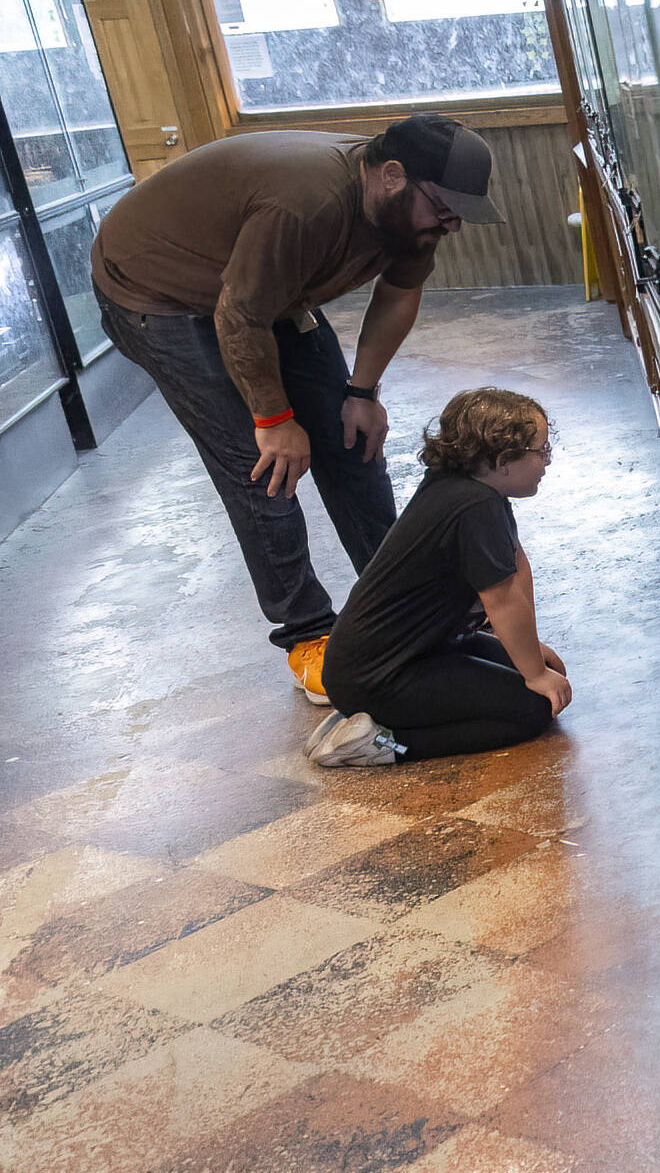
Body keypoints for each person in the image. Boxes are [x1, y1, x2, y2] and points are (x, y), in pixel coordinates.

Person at [92, 113, 504, 704]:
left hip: (260, 294)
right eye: (443, 206)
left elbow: (399, 291)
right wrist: (274, 419)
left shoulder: (408, 220)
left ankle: (405, 596)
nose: (453, 222)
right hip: (158, 293)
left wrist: (361, 393)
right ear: (392, 175)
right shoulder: (306, 205)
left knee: (351, 443)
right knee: (262, 469)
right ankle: (308, 633)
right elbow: (238, 317)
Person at [305, 387, 570, 767]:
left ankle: (361, 721)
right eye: (541, 450)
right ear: (501, 459)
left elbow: (514, 564)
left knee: (549, 671)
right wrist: (532, 672)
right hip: (382, 676)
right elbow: (502, 599)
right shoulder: (475, 507)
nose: (547, 461)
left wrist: (529, 653)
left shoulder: (466, 490)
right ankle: (384, 743)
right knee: (533, 707)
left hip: (410, 654)